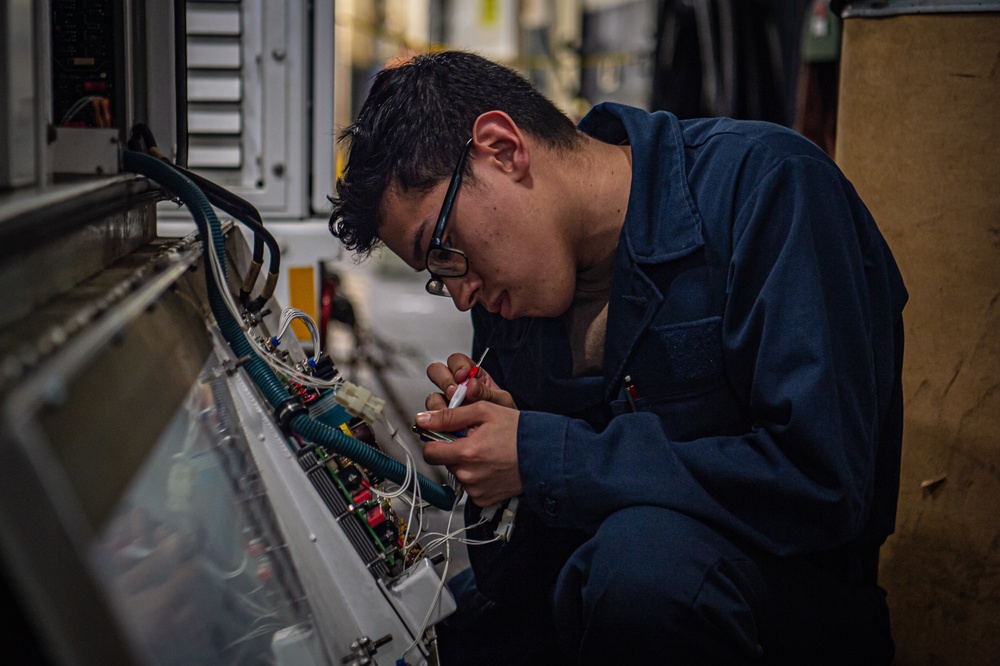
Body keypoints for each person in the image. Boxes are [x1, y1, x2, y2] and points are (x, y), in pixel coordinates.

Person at [328, 50, 906, 665]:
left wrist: (544, 453)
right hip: (590, 596)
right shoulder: (507, 296)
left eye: (442, 250)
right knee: (430, 630)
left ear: (502, 148)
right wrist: (499, 474)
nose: (462, 290)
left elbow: (822, 479)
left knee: (641, 571)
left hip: (773, 612)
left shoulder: (768, 188)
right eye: (436, 276)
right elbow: (520, 580)